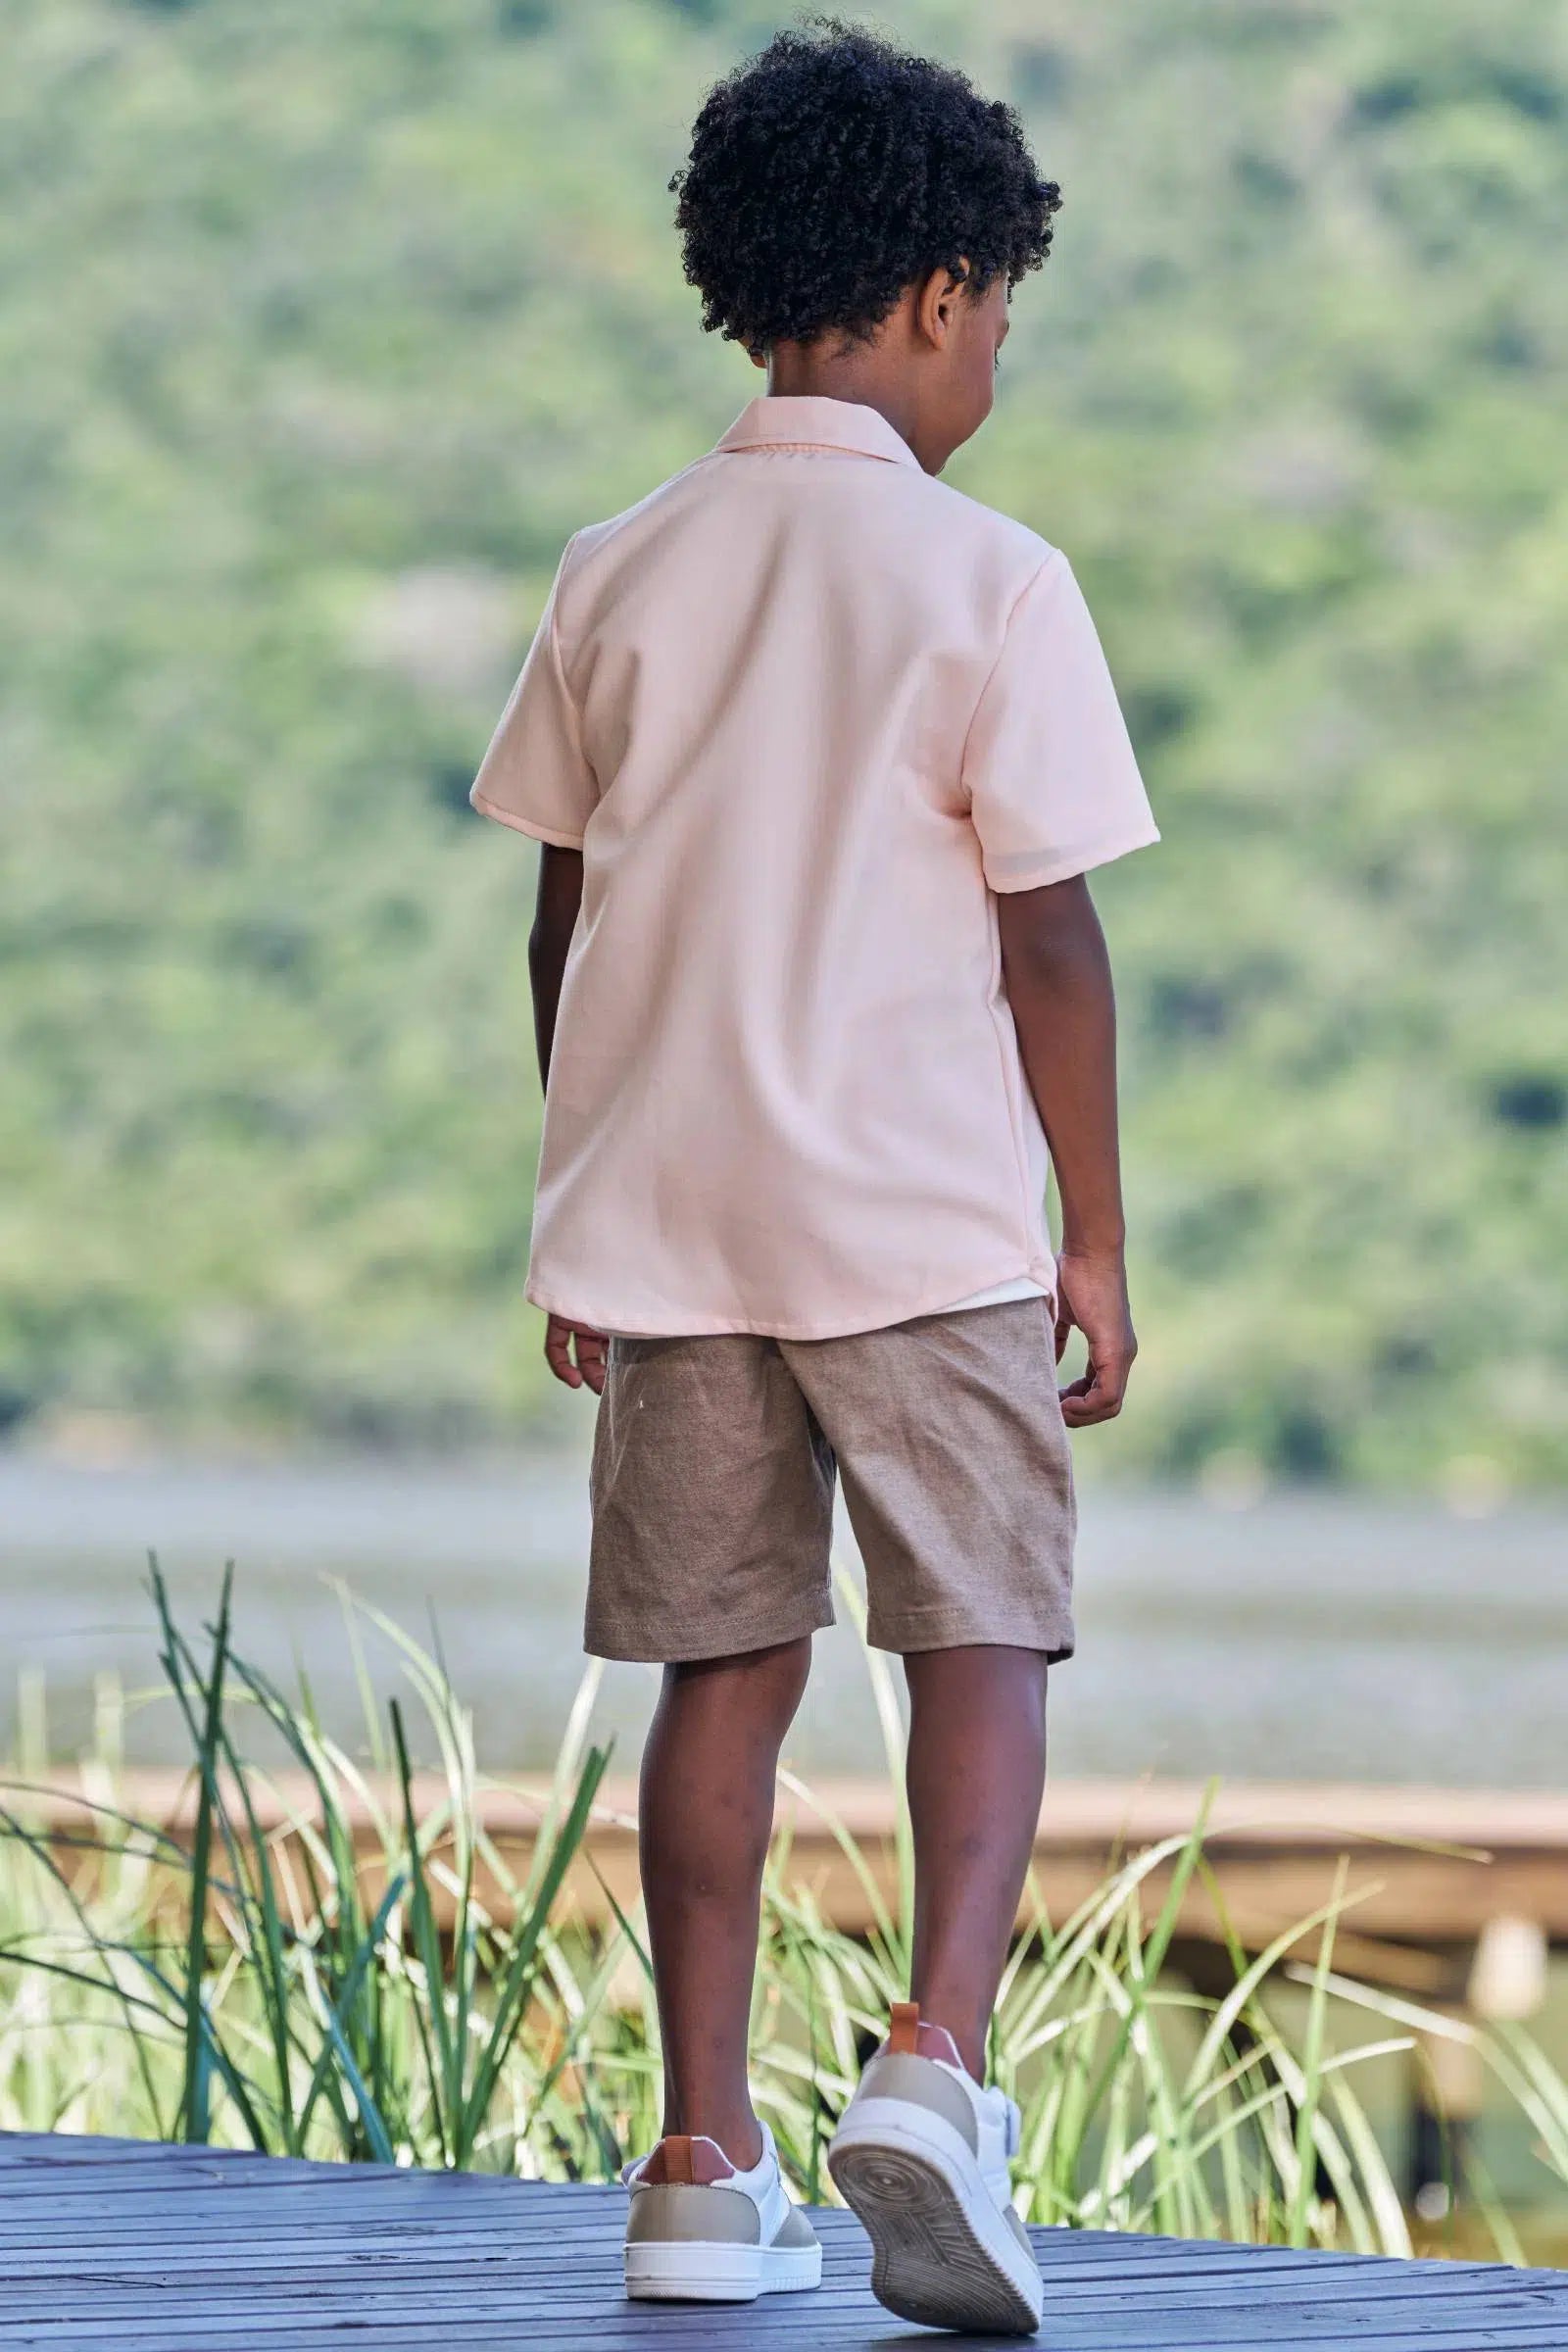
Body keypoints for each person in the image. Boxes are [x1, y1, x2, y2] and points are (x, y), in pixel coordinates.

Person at [470, 20, 1156, 2336]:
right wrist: (1089, 1232)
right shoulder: (990, 577)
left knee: (716, 1669)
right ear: (948, 295)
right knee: (981, 1622)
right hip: (919, 1215)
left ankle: (695, 2157)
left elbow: (564, 918)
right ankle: (935, 2067)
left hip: (671, 1223)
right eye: (1003, 325)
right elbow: (1045, 928)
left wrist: (582, 1203)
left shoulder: (617, 564)